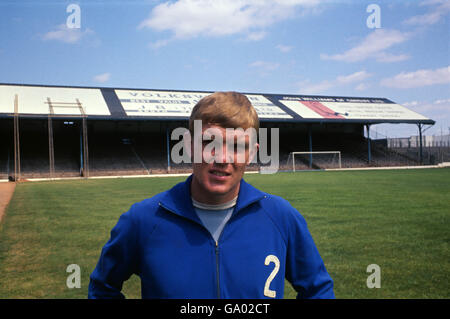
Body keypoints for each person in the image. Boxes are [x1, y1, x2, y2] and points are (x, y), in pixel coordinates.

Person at [88, 92, 334, 299]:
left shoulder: (281, 218)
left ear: (251, 153)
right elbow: (102, 288)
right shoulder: (142, 220)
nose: (222, 158)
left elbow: (318, 290)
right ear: (188, 145)